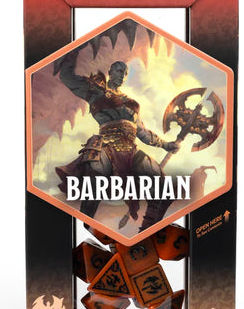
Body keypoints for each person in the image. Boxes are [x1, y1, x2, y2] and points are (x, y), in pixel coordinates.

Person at [55, 50, 179, 231]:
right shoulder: (97, 91)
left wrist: (167, 145)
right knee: (94, 183)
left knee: (163, 184)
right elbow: (67, 78)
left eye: (126, 73)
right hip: (105, 146)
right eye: (119, 71)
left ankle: (148, 228)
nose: (123, 75)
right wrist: (71, 55)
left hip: (131, 150)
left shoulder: (132, 103)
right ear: (110, 72)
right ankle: (84, 227)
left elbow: (143, 133)